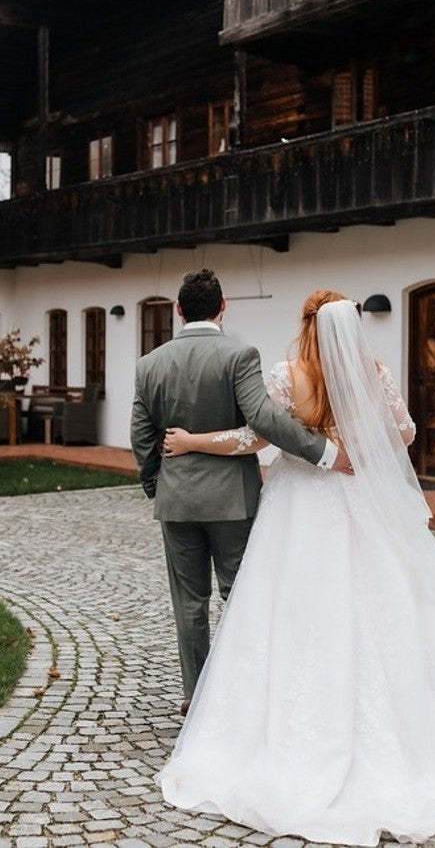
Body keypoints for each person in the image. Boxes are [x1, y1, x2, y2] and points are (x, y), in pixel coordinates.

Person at [156, 288, 435, 845]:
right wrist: (358, 437)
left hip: (300, 509)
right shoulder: (372, 370)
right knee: (392, 604)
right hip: (362, 502)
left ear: (304, 323)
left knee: (294, 613)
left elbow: (253, 439)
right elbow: (405, 433)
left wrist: (192, 442)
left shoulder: (287, 376)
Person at [130, 272, 353, 717]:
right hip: (233, 499)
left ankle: (195, 697)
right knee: (239, 595)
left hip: (176, 500)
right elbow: (264, 420)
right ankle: (242, 694)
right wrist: (325, 452)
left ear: (178, 309)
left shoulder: (149, 364)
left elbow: (141, 436)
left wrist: (159, 485)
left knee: (188, 603)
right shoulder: (239, 355)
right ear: (223, 305)